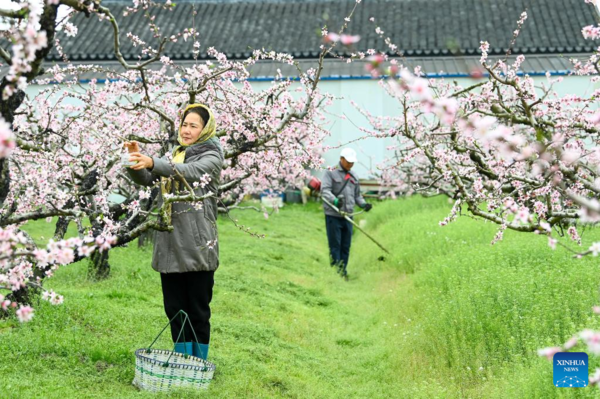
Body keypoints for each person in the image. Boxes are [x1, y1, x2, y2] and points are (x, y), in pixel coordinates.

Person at [124, 103, 224, 360]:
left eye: (194, 125)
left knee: (198, 309)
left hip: (197, 243)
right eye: (184, 124)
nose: (187, 130)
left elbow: (190, 172)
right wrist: (135, 162)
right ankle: (182, 360)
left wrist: (153, 162)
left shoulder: (212, 156)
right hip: (169, 239)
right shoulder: (174, 154)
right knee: (174, 308)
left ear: (205, 129)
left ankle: (199, 364)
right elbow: (149, 180)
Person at [321, 148, 372, 280]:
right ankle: (335, 272)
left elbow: (357, 195)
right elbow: (325, 190)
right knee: (335, 244)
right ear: (341, 159)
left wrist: (363, 204)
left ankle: (343, 271)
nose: (350, 164)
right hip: (334, 214)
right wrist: (335, 200)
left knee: (345, 245)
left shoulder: (354, 176)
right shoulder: (330, 172)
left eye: (352, 162)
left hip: (348, 215)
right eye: (348, 162)